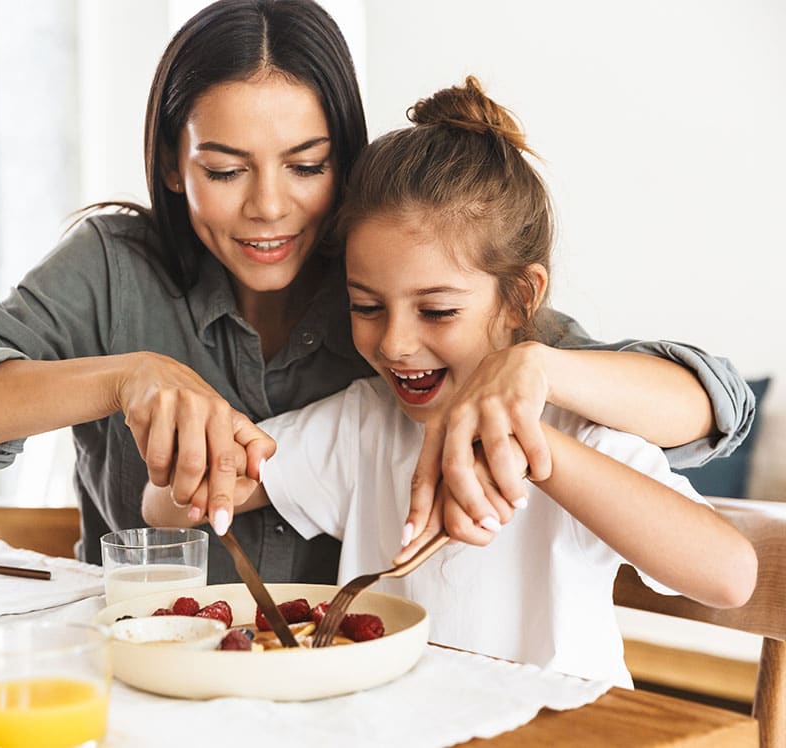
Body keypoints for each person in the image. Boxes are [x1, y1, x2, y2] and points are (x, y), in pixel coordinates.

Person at [0, 0, 753, 585]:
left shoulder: (392, 276)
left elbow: (706, 409)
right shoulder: (111, 264)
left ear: (349, 157)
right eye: (224, 169)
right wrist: (126, 378)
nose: (268, 208)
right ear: (175, 166)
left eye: (308, 165)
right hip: (144, 674)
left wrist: (539, 369)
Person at [142, 76, 758, 685]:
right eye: (366, 306)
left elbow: (729, 576)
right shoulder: (363, 423)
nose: (394, 343)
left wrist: (535, 454)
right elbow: (165, 506)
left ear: (520, 298)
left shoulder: (581, 431)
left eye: (436, 311)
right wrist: (203, 457)